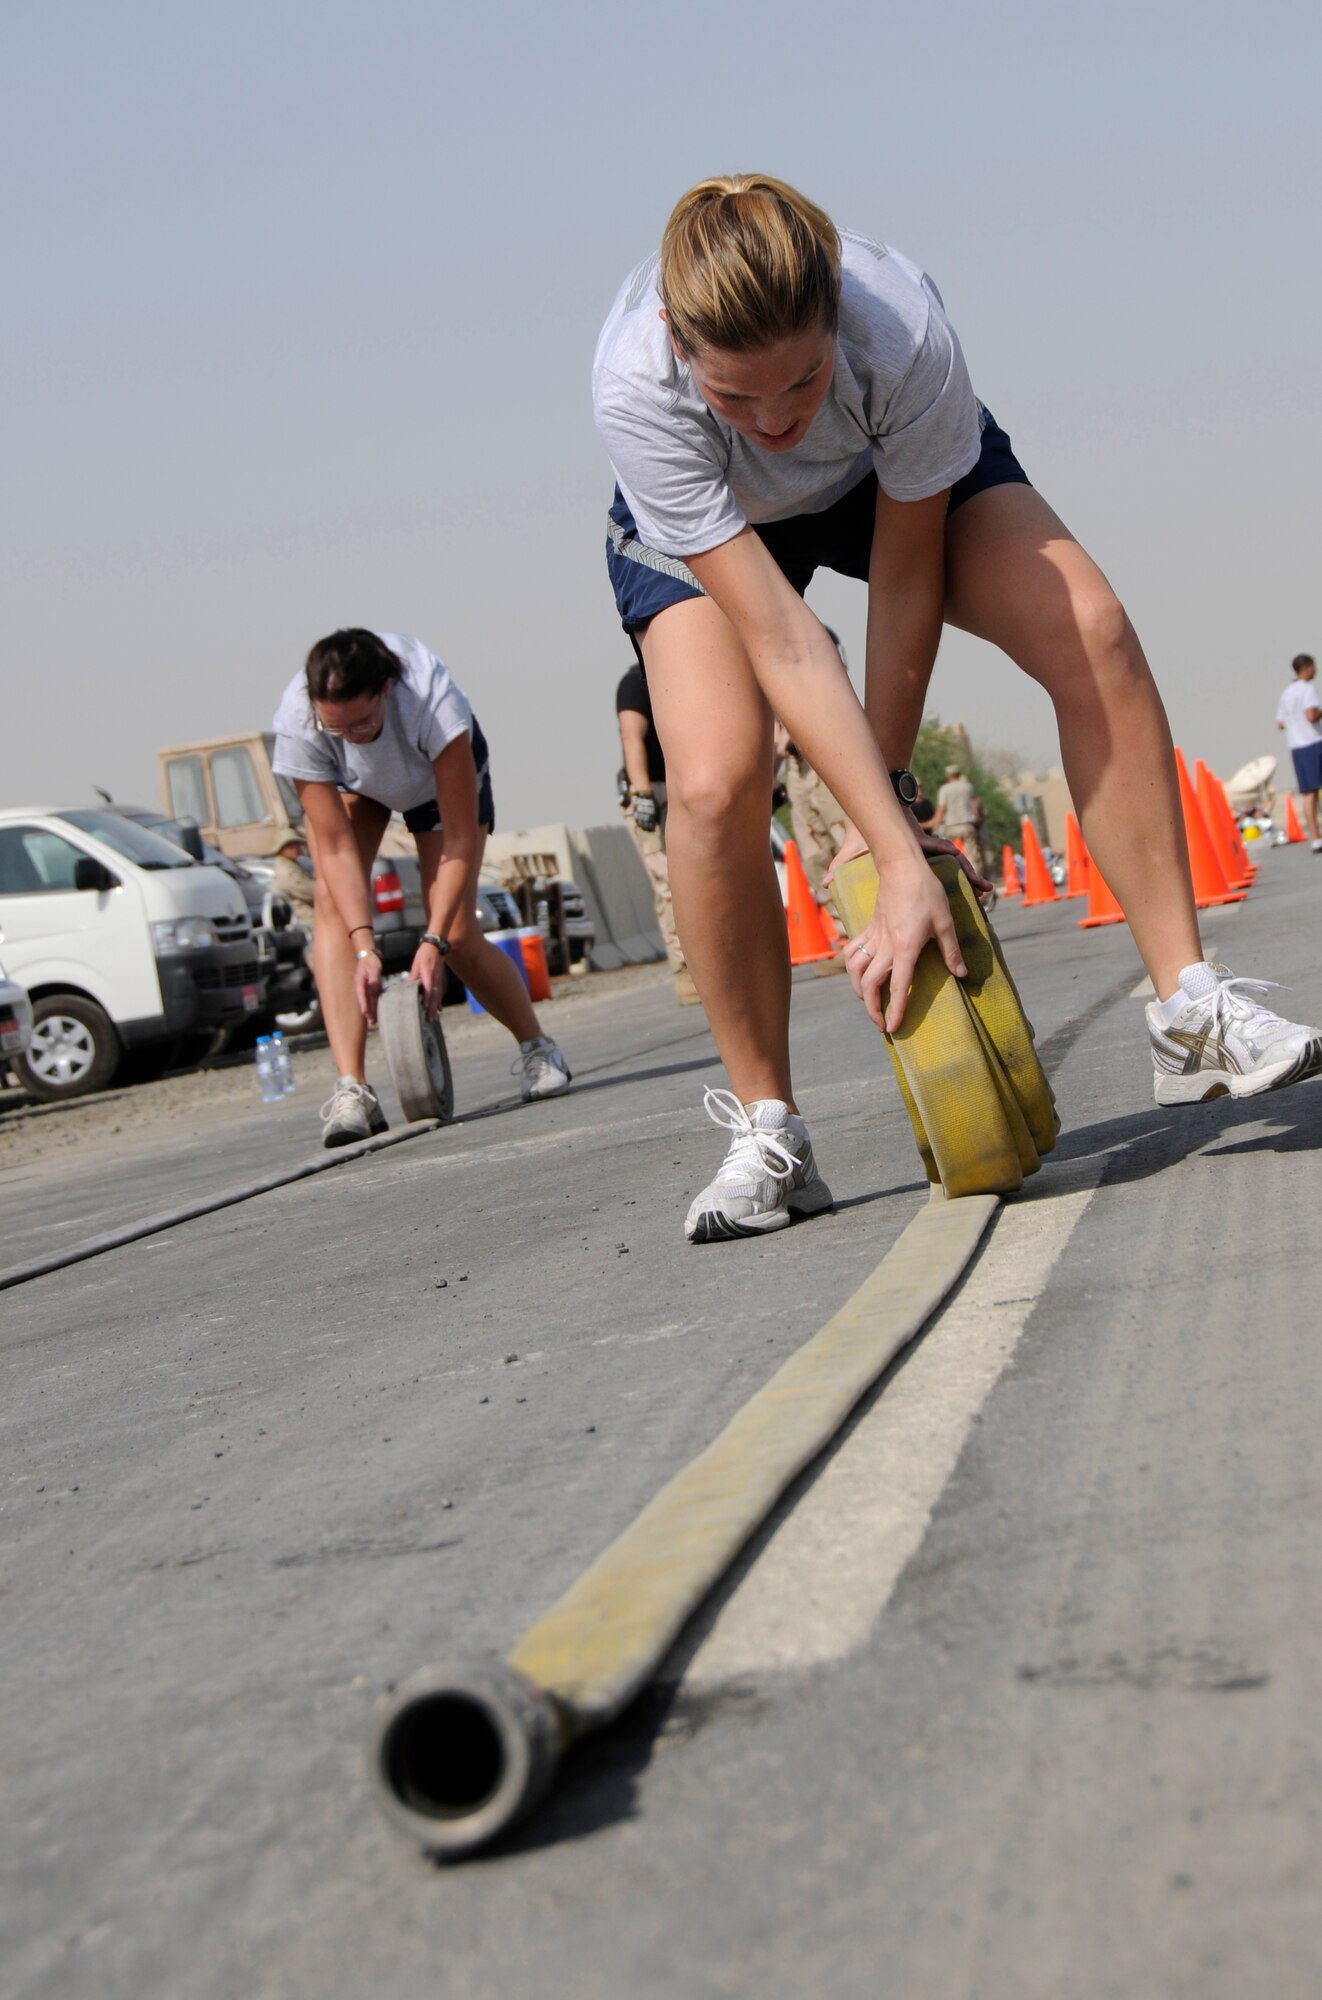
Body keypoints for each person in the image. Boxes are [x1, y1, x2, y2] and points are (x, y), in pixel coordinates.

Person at [593, 173, 1322, 1243]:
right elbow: (785, 639)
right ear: (674, 341)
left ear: (836, 316)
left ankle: (1187, 1006)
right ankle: (767, 1128)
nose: (778, 419)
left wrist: (885, 823)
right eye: (738, 398)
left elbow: (905, 581)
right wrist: (881, 853)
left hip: (885, 480)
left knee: (1093, 627)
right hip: (716, 529)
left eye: (800, 380)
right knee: (710, 779)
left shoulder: (898, 327)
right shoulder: (633, 386)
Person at [272, 629, 571, 1146]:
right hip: (360, 790)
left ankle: (538, 1048)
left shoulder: (433, 705)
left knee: (455, 931)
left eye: (363, 722)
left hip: (436, 784)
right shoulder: (300, 722)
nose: (352, 737)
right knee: (330, 905)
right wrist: (365, 947)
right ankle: (353, 1089)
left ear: (386, 689)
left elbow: (457, 836)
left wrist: (431, 943)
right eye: (336, 728)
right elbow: (337, 849)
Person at [616, 662, 700, 1004]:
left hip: (680, 788)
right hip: (650, 792)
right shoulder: (636, 682)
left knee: (694, 881)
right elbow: (630, 735)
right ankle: (686, 973)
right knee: (669, 885)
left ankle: (710, 965)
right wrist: (643, 795)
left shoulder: (680, 677)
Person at [1275, 653, 1322, 852]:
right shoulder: (1307, 689)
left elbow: (1280, 723)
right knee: (1315, 792)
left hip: (1296, 747)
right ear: (1307, 668)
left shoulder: (1286, 693)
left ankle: (1316, 837)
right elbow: (1311, 715)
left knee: (1309, 793)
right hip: (1313, 743)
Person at [930, 762, 984, 877]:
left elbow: (942, 808)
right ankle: (976, 878)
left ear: (948, 776)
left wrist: (935, 826)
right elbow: (974, 804)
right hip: (966, 824)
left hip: (951, 826)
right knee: (972, 854)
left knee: (953, 854)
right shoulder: (968, 787)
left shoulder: (945, 789)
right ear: (958, 774)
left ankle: (958, 878)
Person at [269, 826, 317, 937]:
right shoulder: (286, 871)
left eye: (297, 844)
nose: (296, 848)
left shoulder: (293, 864)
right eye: (291, 845)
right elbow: (310, 892)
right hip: (304, 919)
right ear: (282, 849)